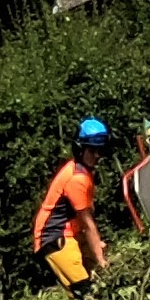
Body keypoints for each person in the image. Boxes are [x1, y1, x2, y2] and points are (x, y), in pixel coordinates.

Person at [33, 117, 115, 286]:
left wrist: (94, 245)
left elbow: (86, 215)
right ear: (80, 148)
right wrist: (100, 259)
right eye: (92, 151)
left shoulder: (84, 171)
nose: (97, 155)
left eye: (101, 150)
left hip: (72, 232)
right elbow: (87, 223)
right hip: (55, 237)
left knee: (99, 283)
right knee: (84, 291)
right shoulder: (77, 178)